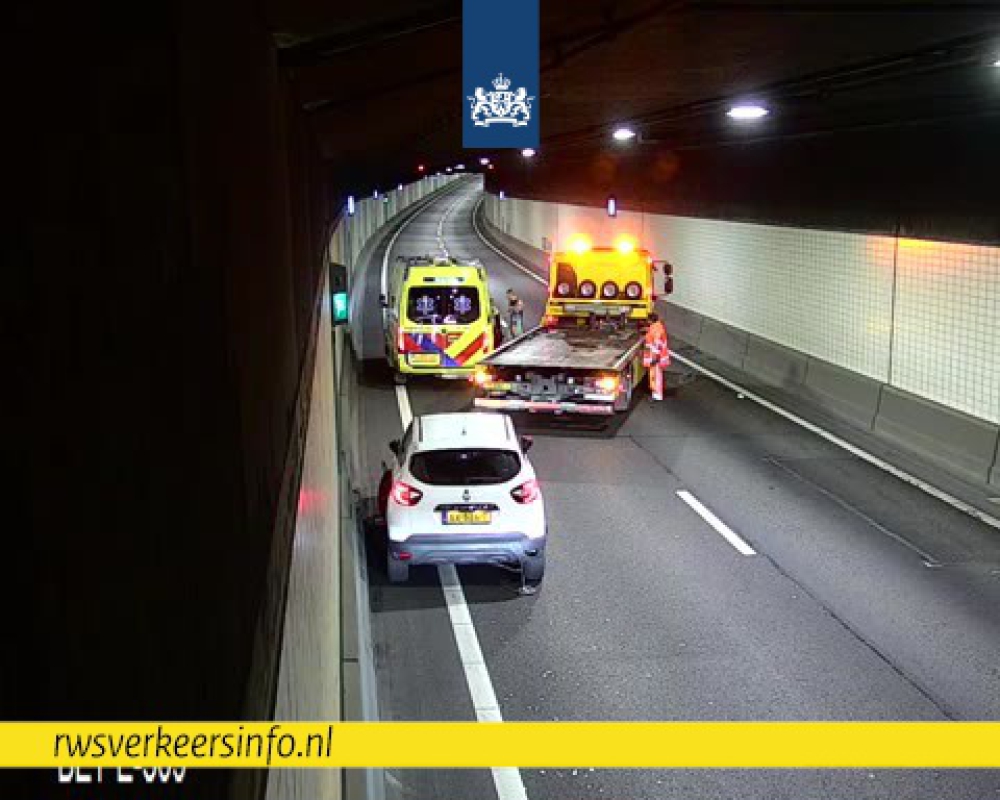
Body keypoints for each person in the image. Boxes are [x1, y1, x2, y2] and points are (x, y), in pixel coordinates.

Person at [643, 312, 670, 401]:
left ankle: (657, 395)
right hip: (656, 356)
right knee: (654, 376)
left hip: (656, 357)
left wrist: (655, 358)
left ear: (650, 320)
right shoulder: (656, 327)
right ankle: (655, 394)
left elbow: (657, 344)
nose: (647, 321)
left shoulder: (656, 329)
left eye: (648, 320)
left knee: (656, 376)